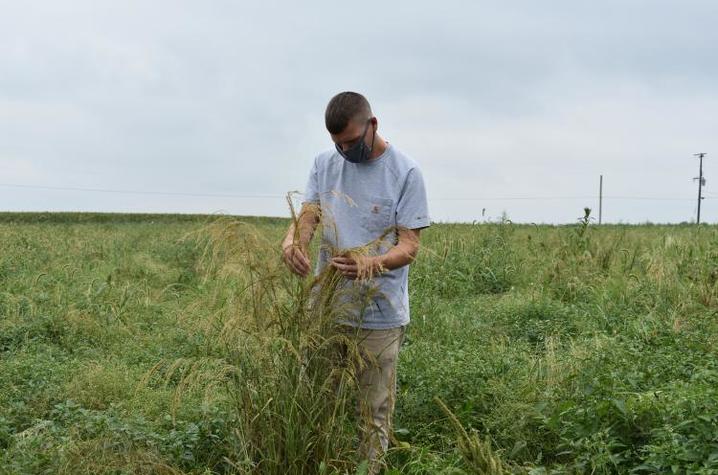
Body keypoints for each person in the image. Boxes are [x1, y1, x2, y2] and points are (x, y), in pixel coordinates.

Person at [281, 91, 430, 473]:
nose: (345, 152)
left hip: (380, 315)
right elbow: (309, 216)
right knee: (316, 400)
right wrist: (293, 242)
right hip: (327, 308)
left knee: (372, 412)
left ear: (373, 125)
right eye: (337, 144)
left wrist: (372, 264)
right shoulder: (324, 165)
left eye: (350, 142)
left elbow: (410, 245)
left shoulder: (406, 172)